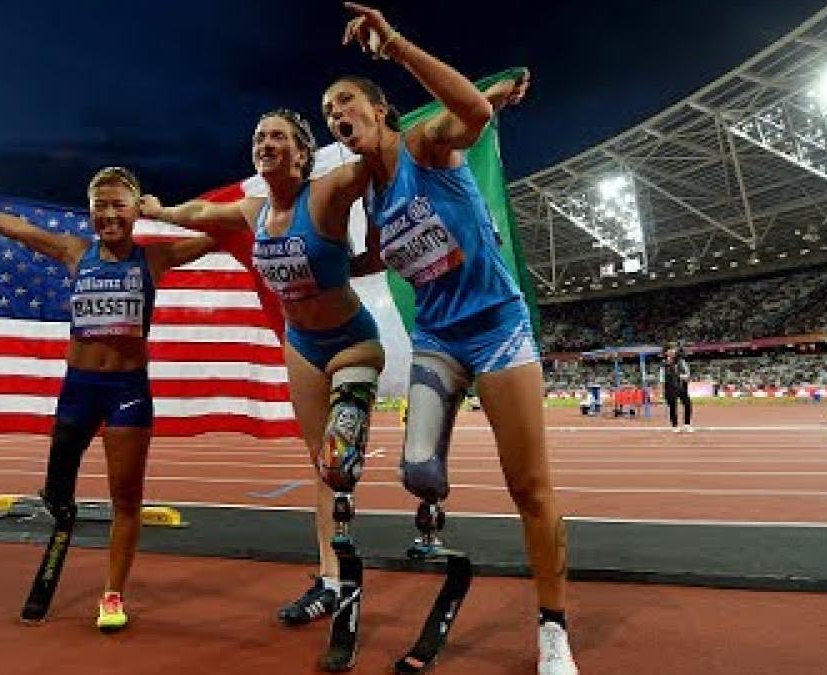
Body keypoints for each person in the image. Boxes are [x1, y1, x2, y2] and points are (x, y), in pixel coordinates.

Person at [323, 4, 577, 673]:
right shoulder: (374, 197)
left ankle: (552, 626)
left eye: (344, 101)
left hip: (496, 329)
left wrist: (397, 44)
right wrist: (311, 275)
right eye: (327, 111)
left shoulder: (424, 145)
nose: (335, 114)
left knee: (528, 484)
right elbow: (375, 256)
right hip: (438, 337)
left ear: (380, 110)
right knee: (418, 472)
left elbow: (475, 116)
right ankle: (434, 513)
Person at [140, 109, 382, 669]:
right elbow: (200, 212)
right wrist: (159, 210)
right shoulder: (253, 210)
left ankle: (349, 589)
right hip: (302, 348)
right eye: (258, 137)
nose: (264, 143)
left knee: (340, 464)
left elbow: (382, 159)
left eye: (277, 136)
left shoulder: (328, 191)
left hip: (351, 342)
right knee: (322, 468)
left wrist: (474, 109)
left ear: (303, 153)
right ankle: (329, 580)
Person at [0, 167, 216, 631]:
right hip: (79, 389)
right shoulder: (76, 252)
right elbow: (23, 231)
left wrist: (165, 212)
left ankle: (112, 595)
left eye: (119, 205)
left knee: (126, 500)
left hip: (128, 393)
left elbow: (222, 230)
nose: (109, 214)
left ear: (135, 210)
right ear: (90, 211)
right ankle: (61, 506)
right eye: (100, 206)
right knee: (56, 490)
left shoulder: (154, 260)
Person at [660, 344, 694, 432]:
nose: (672, 351)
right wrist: (662, 392)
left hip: (681, 387)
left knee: (688, 404)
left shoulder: (682, 362)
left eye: (673, 349)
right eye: (670, 350)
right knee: (672, 407)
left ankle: (687, 424)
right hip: (670, 388)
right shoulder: (664, 364)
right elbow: (662, 379)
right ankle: (675, 426)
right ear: (666, 352)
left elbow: (688, 375)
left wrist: (683, 377)